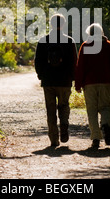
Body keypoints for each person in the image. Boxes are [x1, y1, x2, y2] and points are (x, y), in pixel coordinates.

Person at [34, 14, 78, 147]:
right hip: (64, 81)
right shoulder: (69, 41)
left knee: (50, 109)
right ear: (63, 24)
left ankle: (54, 139)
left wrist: (41, 75)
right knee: (64, 105)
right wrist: (73, 77)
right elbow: (73, 62)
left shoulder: (43, 40)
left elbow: (37, 61)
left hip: (48, 81)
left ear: (51, 24)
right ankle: (64, 124)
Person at [75, 23, 110, 148]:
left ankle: (95, 138)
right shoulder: (109, 46)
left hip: (90, 83)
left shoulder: (85, 46)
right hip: (106, 82)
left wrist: (78, 84)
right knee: (105, 107)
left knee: (92, 110)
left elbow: (80, 67)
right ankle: (105, 125)